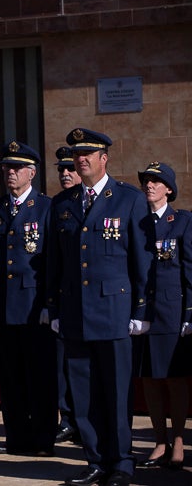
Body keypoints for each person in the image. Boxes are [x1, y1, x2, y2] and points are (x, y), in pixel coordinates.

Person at [46, 128, 151, 486]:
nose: (81, 160)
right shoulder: (62, 204)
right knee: (84, 394)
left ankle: (121, 462)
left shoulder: (129, 200)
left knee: (117, 393)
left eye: (88, 154)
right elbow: (54, 265)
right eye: (77, 154)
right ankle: (95, 460)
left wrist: (140, 311)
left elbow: (142, 260)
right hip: (75, 315)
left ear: (104, 158)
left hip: (114, 313)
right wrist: (54, 309)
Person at [0, 141, 55, 457]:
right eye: (6, 168)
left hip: (34, 306)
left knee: (39, 376)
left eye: (16, 168)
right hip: (4, 307)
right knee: (10, 377)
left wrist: (50, 304)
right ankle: (17, 438)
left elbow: (54, 261)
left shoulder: (47, 207)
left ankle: (42, 440)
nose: (10, 173)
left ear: (32, 172)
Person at [134, 162, 191, 470]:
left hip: (172, 312)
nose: (150, 185)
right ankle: (159, 440)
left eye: (156, 181)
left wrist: (190, 314)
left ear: (169, 188)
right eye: (146, 181)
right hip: (144, 314)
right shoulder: (138, 223)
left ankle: (179, 438)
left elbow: (190, 271)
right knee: (151, 381)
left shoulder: (182, 222)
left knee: (175, 379)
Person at [54, 146, 82, 445]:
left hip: (95, 302)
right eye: (61, 170)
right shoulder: (58, 204)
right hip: (66, 298)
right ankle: (67, 418)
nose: (65, 174)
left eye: (69, 169)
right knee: (65, 364)